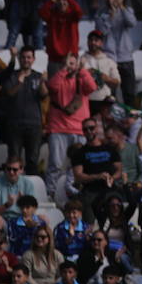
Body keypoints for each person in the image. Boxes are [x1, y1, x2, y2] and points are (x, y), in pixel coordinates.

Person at [45, 54, 97, 202]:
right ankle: (50, 194)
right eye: (68, 63)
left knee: (80, 167)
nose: (70, 66)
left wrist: (83, 70)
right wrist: (64, 70)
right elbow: (52, 87)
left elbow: (92, 87)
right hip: (59, 128)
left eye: (73, 63)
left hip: (80, 130)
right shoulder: (58, 78)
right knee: (55, 164)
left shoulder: (82, 79)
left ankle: (80, 194)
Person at [0, 48, 48, 176]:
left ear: (33, 59)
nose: (26, 60)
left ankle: (31, 190)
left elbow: (44, 96)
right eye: (23, 57)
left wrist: (43, 83)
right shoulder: (12, 75)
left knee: (32, 160)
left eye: (29, 57)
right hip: (14, 124)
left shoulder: (38, 76)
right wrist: (20, 82)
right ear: (19, 59)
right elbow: (9, 94)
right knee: (14, 159)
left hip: (34, 124)